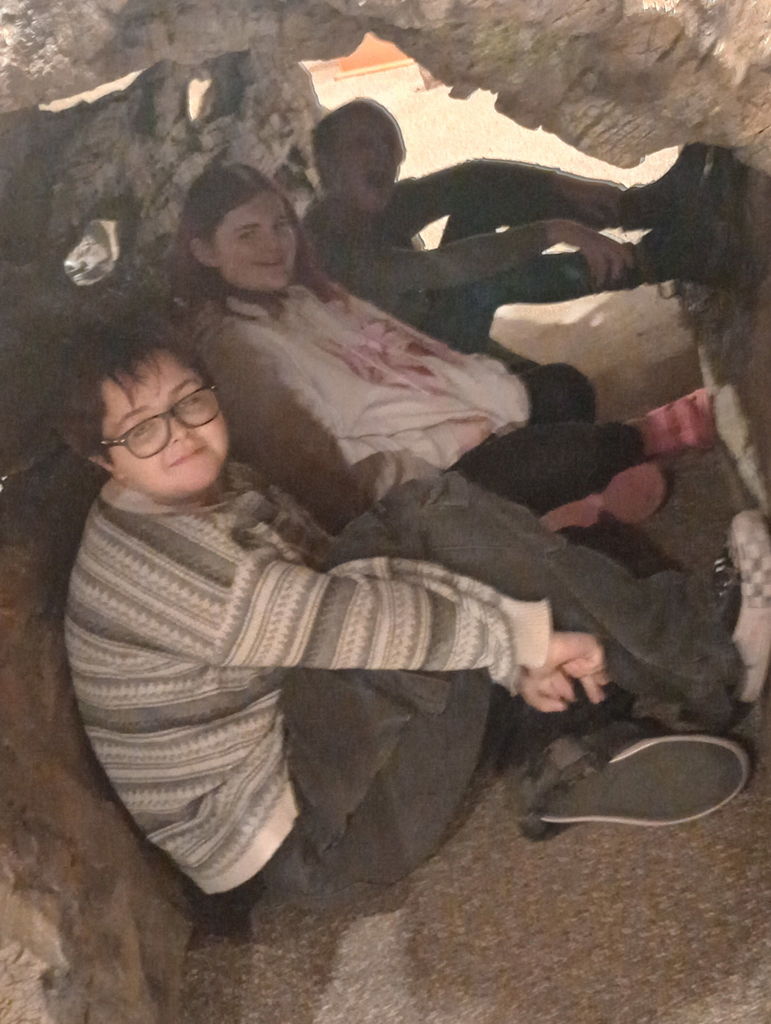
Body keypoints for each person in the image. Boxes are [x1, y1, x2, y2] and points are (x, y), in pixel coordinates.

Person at [60, 322, 769, 905]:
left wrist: (509, 638)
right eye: (141, 429)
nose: (179, 432)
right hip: (316, 839)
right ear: (100, 456)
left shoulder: (217, 489)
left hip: (314, 769)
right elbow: (344, 619)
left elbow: (360, 574)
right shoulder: (163, 560)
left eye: (190, 402)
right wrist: (508, 639)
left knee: (483, 560)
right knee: (445, 540)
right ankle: (710, 654)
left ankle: (566, 753)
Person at [171, 162, 710, 535]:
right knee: (593, 447)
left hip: (446, 421)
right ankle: (601, 483)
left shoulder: (306, 288)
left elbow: (467, 183)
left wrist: (485, 393)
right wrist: (465, 431)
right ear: (203, 249)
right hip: (417, 485)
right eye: (247, 235)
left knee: (564, 389)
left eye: (279, 226)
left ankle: (571, 506)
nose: (273, 245)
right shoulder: (242, 348)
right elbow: (334, 478)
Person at [304, 100, 714, 359]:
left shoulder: (368, 202)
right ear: (328, 167)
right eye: (362, 144)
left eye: (386, 142)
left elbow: (469, 180)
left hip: (428, 323)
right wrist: (557, 230)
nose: (382, 154)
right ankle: (662, 258)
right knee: (483, 280)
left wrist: (560, 184)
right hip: (424, 366)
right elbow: (444, 268)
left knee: (479, 194)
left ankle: (645, 206)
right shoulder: (330, 247)